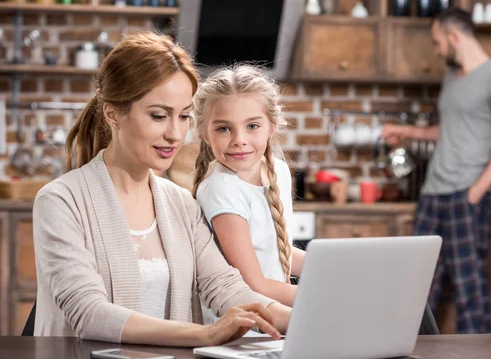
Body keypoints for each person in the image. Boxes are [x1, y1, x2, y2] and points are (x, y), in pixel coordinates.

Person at [32, 32, 291, 347]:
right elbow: (89, 313)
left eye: (183, 117)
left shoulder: (180, 204)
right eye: (158, 116)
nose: (175, 134)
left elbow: (227, 288)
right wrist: (207, 334)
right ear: (113, 114)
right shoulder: (61, 201)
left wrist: (315, 317)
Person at [382, 8, 491, 334]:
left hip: (467, 195)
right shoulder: (452, 77)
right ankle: (405, 349)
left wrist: (477, 190)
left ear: (454, 36)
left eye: (437, 42)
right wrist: (410, 133)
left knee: (468, 286)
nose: (437, 50)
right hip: (433, 194)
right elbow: (450, 130)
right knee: (418, 284)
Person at [191, 64, 305, 322]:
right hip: (239, 328)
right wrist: (322, 293)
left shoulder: (279, 172)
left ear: (272, 126)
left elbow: (276, 251)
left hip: (271, 320)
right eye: (223, 128)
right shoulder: (222, 188)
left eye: (252, 126)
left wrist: (333, 269)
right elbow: (254, 284)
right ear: (204, 133)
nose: (239, 139)